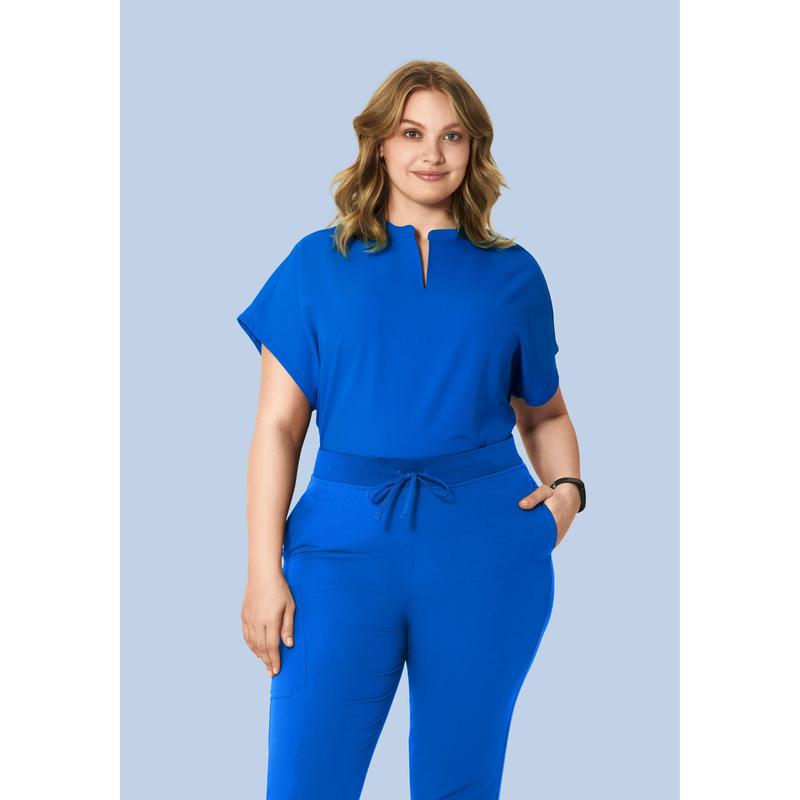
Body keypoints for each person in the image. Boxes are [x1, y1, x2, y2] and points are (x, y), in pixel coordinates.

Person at [237, 60, 585, 799]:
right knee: (304, 783)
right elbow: (278, 429)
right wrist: (264, 570)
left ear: (474, 148)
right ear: (379, 144)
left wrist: (567, 495)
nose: (433, 153)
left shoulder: (514, 274)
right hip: (338, 550)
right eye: (412, 133)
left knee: (461, 783)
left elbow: (547, 413)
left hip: (486, 548)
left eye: (452, 136)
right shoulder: (315, 264)